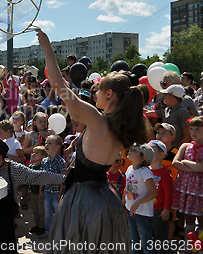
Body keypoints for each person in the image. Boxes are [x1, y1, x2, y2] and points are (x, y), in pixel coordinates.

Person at [37, 29, 148, 252]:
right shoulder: (119, 128)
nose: (94, 94)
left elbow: (60, 87)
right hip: (105, 198)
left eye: (98, 90)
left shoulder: (98, 121)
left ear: (109, 95)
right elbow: (67, 94)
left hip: (84, 201)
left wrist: (48, 48)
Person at [0, 139, 65, 221]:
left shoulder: (14, 169)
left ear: (0, 155)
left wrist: (63, 179)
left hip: (6, 210)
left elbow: (38, 176)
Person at [171, 116, 203, 237]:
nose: (193, 132)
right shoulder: (185, 146)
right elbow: (175, 163)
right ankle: (188, 246)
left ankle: (200, 246)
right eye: (192, 129)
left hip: (200, 189)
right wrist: (195, 167)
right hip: (186, 187)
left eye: (197, 129)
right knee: (188, 217)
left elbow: (202, 167)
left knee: (201, 218)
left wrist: (185, 162)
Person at [124, 144, 157, 254]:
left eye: (134, 150)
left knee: (146, 242)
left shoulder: (145, 172)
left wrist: (137, 202)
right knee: (134, 241)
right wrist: (123, 203)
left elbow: (153, 192)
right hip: (131, 211)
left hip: (143, 213)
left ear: (143, 158)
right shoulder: (129, 169)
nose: (130, 150)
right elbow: (126, 188)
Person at [39, 135, 67, 239]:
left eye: (49, 143)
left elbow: (64, 180)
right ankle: (48, 231)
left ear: (57, 147)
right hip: (47, 191)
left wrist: (60, 194)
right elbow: (42, 176)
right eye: (46, 143)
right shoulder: (44, 161)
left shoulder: (61, 162)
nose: (46, 145)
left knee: (59, 213)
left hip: (56, 192)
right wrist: (40, 190)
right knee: (47, 213)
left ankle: (60, 233)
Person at [147, 140, 173, 249]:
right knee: (147, 234)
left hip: (158, 210)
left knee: (160, 235)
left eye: (151, 151)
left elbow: (168, 193)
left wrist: (166, 209)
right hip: (145, 208)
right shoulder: (145, 170)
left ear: (161, 155)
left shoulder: (165, 173)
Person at [28, 145, 48, 236]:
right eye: (33, 152)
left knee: (41, 211)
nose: (33, 154)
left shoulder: (43, 167)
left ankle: (42, 227)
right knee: (35, 210)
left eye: (37, 153)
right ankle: (36, 225)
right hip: (32, 192)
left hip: (40, 193)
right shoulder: (31, 166)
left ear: (43, 157)